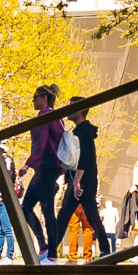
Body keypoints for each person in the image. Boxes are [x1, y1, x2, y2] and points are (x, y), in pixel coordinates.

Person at [48, 98, 109, 258]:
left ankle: (51, 253)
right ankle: (106, 250)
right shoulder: (82, 131)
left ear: (80, 110)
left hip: (81, 182)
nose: (68, 110)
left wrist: (76, 182)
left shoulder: (82, 132)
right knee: (86, 216)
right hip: (83, 181)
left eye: (71, 107)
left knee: (67, 217)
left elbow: (85, 158)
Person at [17, 85, 64, 259]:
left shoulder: (45, 116)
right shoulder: (57, 118)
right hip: (50, 169)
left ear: (44, 98)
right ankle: (46, 248)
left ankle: (49, 251)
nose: (33, 100)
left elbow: (42, 142)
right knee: (34, 207)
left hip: (45, 168)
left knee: (41, 208)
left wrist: (28, 165)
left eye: (35, 97)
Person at [0, 147, 18, 262]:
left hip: (2, 200)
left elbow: (8, 176)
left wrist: (2, 195)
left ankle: (9, 255)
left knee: (7, 229)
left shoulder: (7, 160)